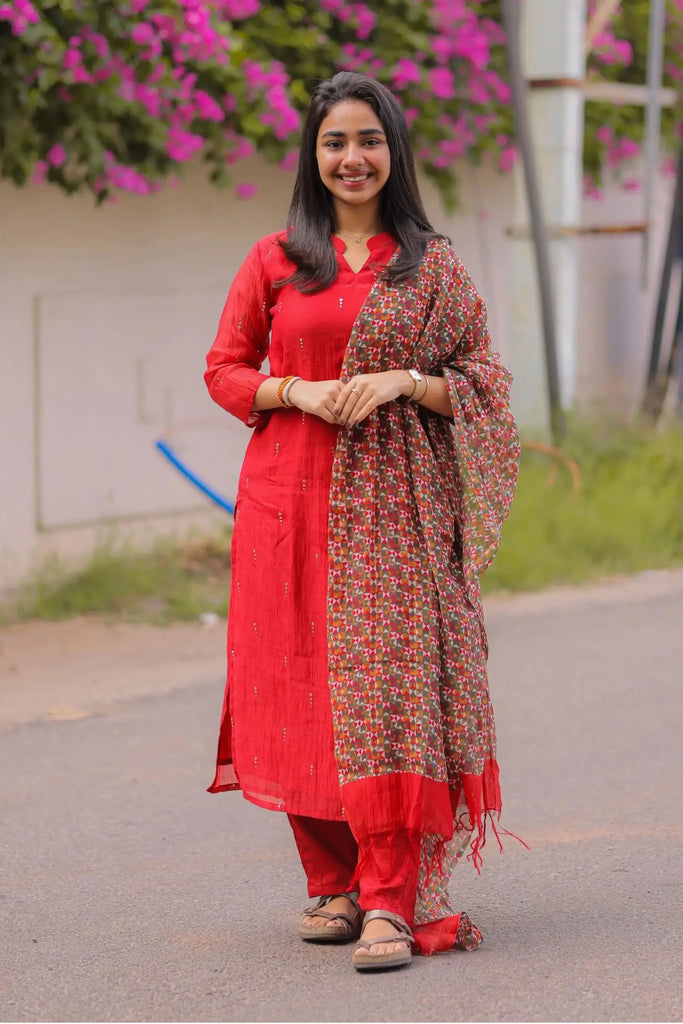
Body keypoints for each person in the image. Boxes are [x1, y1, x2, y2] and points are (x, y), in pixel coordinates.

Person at [204, 71, 520, 971]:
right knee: (294, 685)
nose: (352, 158)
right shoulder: (275, 259)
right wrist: (293, 388)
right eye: (336, 141)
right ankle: (332, 884)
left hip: (392, 517)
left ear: (394, 153)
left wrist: (403, 383)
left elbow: (485, 382)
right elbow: (223, 370)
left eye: (369, 141)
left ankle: (389, 898)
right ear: (313, 154)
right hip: (284, 506)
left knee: (390, 692)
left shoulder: (429, 265)